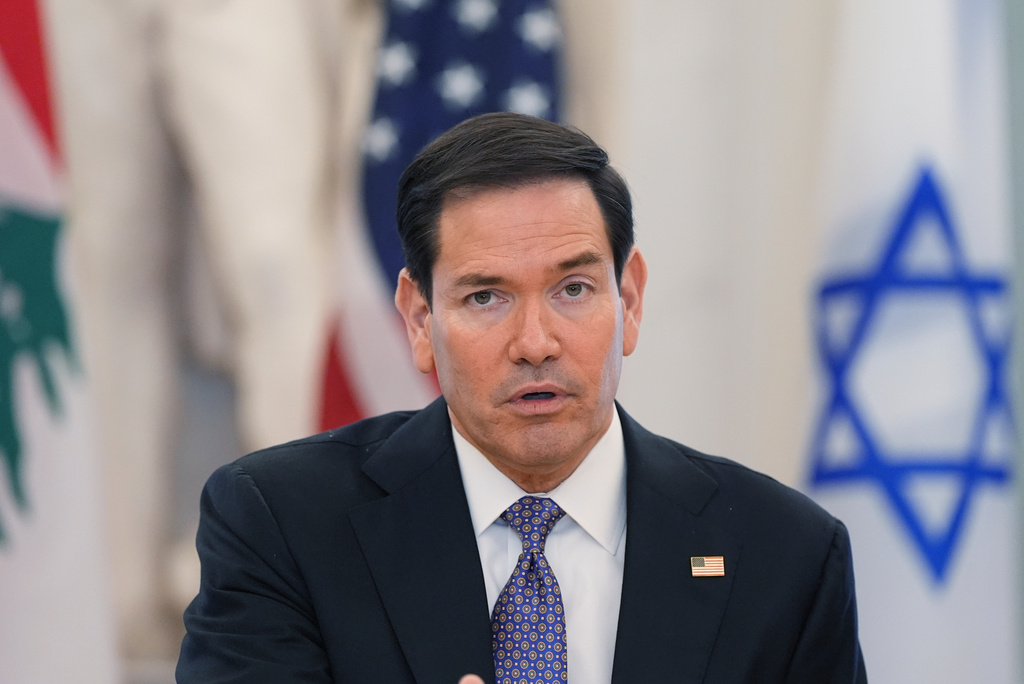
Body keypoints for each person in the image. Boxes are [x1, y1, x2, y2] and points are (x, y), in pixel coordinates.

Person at [176, 112, 867, 683]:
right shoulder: (282, 527)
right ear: (420, 320)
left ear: (628, 298)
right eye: (486, 297)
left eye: (573, 290)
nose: (535, 341)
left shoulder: (783, 555)